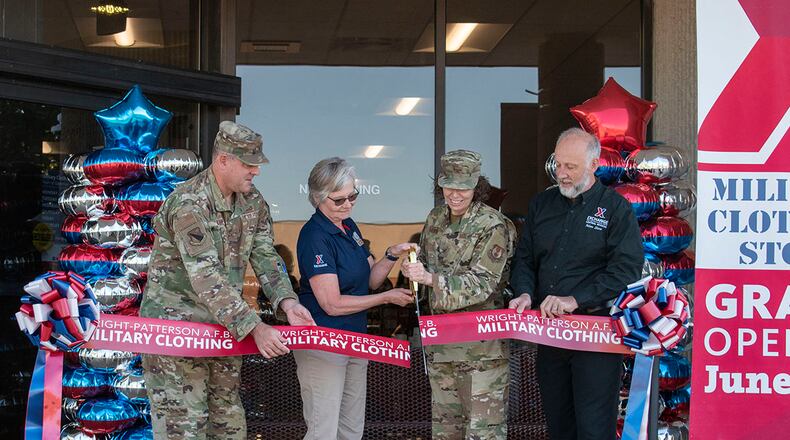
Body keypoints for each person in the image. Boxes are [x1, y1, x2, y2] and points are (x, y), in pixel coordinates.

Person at [139, 121, 315, 440]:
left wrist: (287, 302)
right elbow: (205, 276)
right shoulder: (189, 203)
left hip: (223, 330)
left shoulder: (253, 202)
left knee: (228, 423)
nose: (256, 171)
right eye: (248, 164)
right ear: (223, 160)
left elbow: (265, 256)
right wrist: (255, 327)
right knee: (184, 427)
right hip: (178, 333)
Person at [508, 127, 643, 440]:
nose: (562, 174)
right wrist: (525, 292)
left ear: (594, 165)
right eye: (558, 165)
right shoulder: (541, 205)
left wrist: (575, 299)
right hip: (550, 334)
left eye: (571, 167)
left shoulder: (615, 209)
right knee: (559, 425)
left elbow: (626, 270)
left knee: (594, 428)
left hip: (595, 334)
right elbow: (525, 259)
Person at [294, 157, 414, 440]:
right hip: (324, 340)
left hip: (355, 339)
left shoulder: (349, 226)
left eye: (353, 196)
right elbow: (331, 303)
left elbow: (371, 279)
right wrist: (386, 298)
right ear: (318, 198)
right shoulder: (314, 235)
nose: (348, 204)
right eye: (339, 200)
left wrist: (391, 254)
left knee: (351, 427)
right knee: (323, 428)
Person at [401, 150, 517, 440]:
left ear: (476, 186)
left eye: (463, 187)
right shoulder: (436, 218)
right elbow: (428, 263)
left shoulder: (492, 225)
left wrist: (430, 278)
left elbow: (483, 284)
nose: (455, 194)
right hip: (442, 346)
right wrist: (414, 266)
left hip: (481, 353)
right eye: (448, 185)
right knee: (446, 432)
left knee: (483, 434)